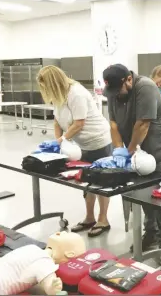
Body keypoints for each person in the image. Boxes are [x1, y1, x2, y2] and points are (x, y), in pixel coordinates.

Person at [102, 64, 161, 250]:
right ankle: (150, 234)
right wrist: (119, 148)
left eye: (118, 91)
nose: (116, 96)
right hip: (136, 153)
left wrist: (129, 151)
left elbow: (142, 124)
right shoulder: (113, 92)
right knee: (144, 196)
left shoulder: (146, 87)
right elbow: (113, 124)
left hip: (159, 150)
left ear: (128, 80)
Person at [37, 65, 113, 237]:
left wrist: (63, 140)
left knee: (101, 181)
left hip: (98, 141)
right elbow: (57, 121)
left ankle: (103, 219)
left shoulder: (76, 93)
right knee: (86, 180)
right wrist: (58, 144)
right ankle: (89, 217)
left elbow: (79, 123)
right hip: (82, 144)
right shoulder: (57, 95)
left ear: (54, 82)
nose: (45, 90)